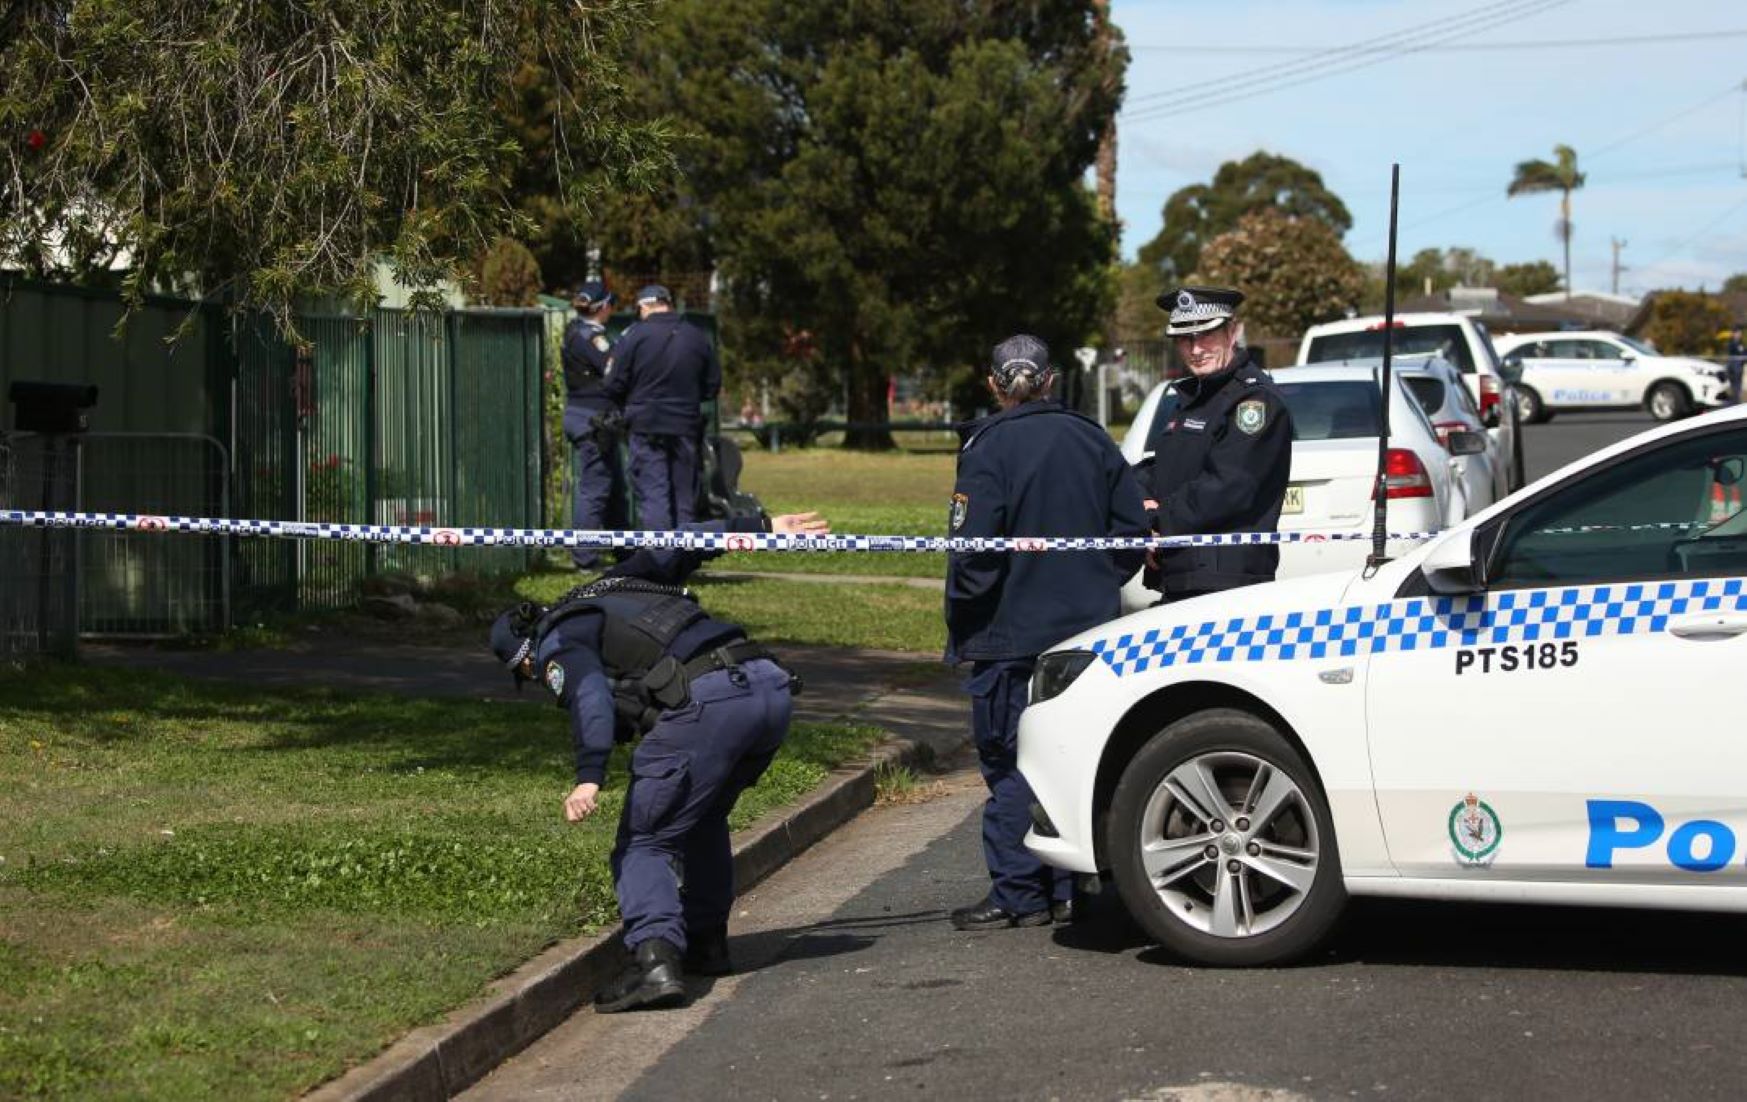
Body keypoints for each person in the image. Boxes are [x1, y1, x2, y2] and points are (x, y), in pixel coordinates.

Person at [489, 509, 830, 1012]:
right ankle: (706, 944)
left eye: (532, 672)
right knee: (701, 815)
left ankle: (655, 964)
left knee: (645, 840)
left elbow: (589, 696)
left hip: (711, 703)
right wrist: (759, 528)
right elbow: (681, 543)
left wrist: (589, 777)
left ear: (525, 655)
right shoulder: (616, 584)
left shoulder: (558, 636)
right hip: (768, 686)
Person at [944, 334, 1149, 931]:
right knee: (1072, 756)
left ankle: (1018, 892)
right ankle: (1070, 890)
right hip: (1088, 634)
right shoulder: (1092, 438)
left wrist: (965, 622)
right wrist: (1094, 584)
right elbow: (1132, 531)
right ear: (1053, 381)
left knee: (1010, 762)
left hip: (1009, 636)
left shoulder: (987, 447)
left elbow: (973, 557)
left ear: (992, 385)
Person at [1146, 286, 1293, 603]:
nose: (1195, 349)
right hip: (1183, 573)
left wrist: (1158, 520)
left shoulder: (1253, 400)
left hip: (1226, 581)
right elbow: (1168, 468)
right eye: (1185, 339)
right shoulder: (1197, 397)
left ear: (1232, 332)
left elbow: (1229, 485)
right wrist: (1133, 496)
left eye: (1206, 336)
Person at [603, 285, 722, 530]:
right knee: (684, 494)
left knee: (653, 493)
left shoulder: (633, 336)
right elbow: (712, 386)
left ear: (644, 306)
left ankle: (661, 559)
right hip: (685, 425)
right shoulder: (696, 336)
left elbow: (614, 383)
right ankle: (683, 558)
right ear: (668, 303)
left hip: (645, 424)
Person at [561, 281, 629, 570]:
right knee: (595, 488)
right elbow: (614, 369)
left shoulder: (577, 331)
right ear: (602, 307)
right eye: (611, 304)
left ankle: (624, 552)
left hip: (593, 419)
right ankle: (585, 557)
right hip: (592, 421)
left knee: (613, 489)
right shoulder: (590, 337)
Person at [1727, 327, 1745, 405]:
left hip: (1739, 366)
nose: (1739, 335)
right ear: (1734, 334)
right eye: (1738, 333)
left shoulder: (1740, 343)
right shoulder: (1732, 343)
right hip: (1734, 366)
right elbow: (1738, 353)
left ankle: (1736, 401)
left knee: (1738, 385)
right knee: (1735, 385)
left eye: (1740, 333)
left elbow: (1743, 352)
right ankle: (1734, 402)